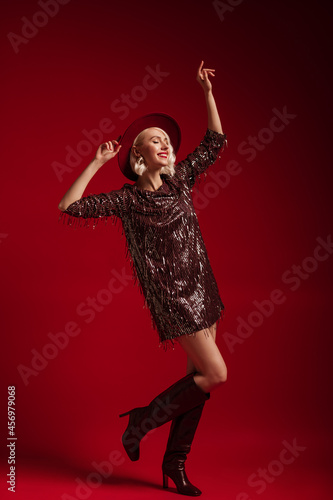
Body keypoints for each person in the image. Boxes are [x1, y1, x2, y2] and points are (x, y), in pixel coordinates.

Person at [58, 61, 228, 497]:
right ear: (139, 156)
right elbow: (70, 206)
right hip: (174, 300)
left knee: (197, 380)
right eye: (156, 141)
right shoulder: (129, 199)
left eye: (168, 141)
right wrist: (96, 163)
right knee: (215, 374)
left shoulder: (182, 181)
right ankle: (142, 421)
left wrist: (206, 92)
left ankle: (174, 465)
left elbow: (215, 142)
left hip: (204, 288)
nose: (167, 145)